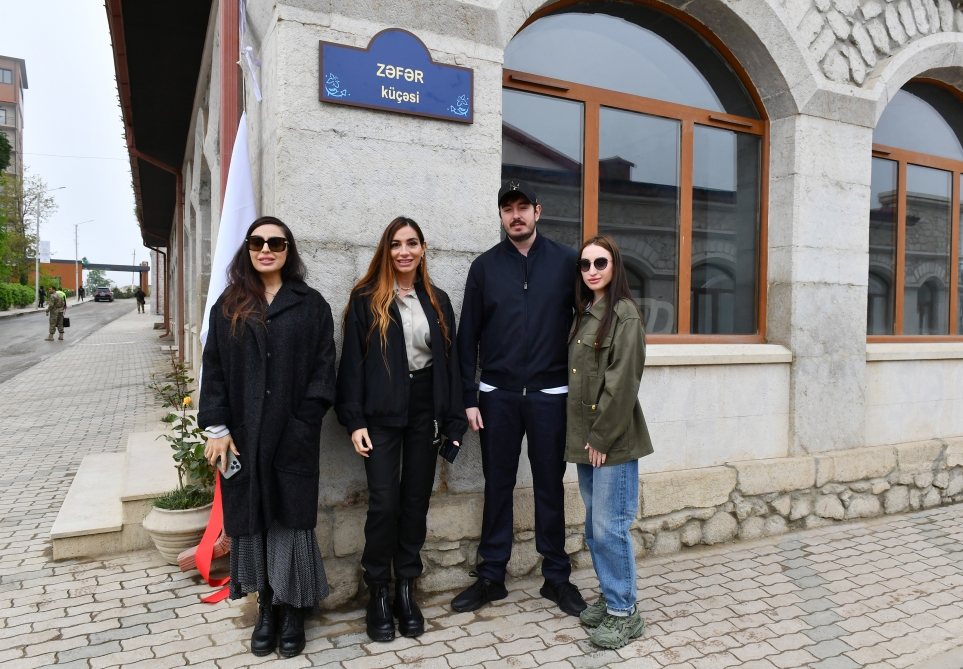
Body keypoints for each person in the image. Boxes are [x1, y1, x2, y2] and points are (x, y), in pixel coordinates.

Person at [199, 216, 336, 659]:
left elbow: (324, 369)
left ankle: (292, 609)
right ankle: (265, 608)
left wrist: (304, 422)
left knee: (290, 522)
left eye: (276, 243)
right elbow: (213, 368)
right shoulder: (229, 304)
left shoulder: (310, 304)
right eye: (258, 242)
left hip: (293, 434)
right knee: (253, 520)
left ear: (287, 250)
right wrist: (218, 427)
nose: (266, 249)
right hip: (244, 436)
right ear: (248, 248)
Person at [452, 180, 587, 616]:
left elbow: (588, 325)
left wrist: (582, 392)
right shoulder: (485, 267)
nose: (516, 215)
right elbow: (467, 336)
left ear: (537, 211)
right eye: (508, 208)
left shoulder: (567, 262)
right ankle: (491, 575)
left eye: (523, 207)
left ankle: (557, 578)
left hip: (551, 395)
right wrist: (469, 396)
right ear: (500, 216)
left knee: (550, 486)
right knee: (498, 485)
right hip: (498, 396)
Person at [336, 217, 467, 642]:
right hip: (381, 413)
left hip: (426, 411)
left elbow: (451, 363)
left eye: (412, 243)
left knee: (415, 501)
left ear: (424, 248)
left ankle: (406, 587)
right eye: (396, 244)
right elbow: (351, 364)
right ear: (386, 250)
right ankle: (378, 589)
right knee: (384, 503)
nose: (404, 251)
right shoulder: (366, 299)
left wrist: (453, 420)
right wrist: (354, 421)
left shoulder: (438, 300)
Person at [568, 235, 652, 649]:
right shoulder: (587, 313)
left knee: (610, 527)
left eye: (600, 262)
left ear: (615, 266)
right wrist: (589, 438)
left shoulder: (625, 315)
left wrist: (601, 436)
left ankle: (624, 612)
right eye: (585, 264)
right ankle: (611, 594)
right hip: (588, 440)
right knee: (595, 527)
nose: (592, 270)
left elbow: (622, 385)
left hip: (611, 441)